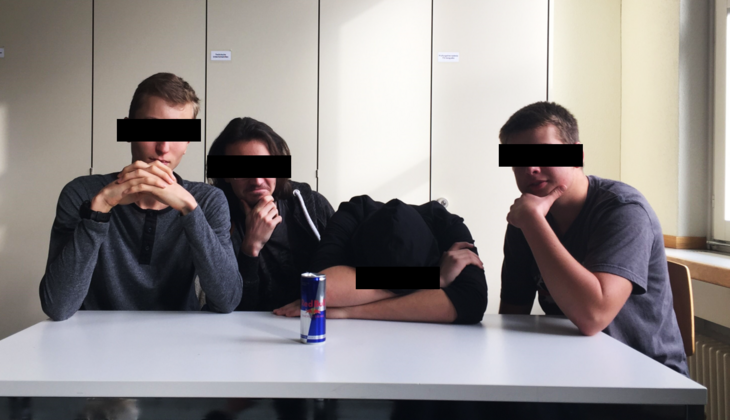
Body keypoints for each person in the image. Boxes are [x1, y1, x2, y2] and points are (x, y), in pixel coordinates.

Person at [498, 101, 688, 376]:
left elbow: (593, 316)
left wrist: (532, 222)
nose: (530, 168)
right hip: (573, 369)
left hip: (647, 379)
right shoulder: (527, 218)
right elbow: (512, 317)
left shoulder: (624, 210)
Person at [39, 72, 242, 320]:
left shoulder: (208, 200)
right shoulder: (81, 193)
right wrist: (99, 210)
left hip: (182, 336)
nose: (163, 147)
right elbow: (57, 307)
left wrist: (190, 209)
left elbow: (227, 300)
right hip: (95, 337)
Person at [274, 195, 488, 324]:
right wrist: (433, 279)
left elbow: (472, 303)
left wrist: (348, 311)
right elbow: (318, 290)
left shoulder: (448, 226)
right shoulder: (352, 214)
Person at [208, 117, 335, 311]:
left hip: (313, 318)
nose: (257, 180)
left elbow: (346, 271)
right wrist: (251, 247)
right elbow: (232, 307)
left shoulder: (311, 205)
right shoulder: (217, 219)